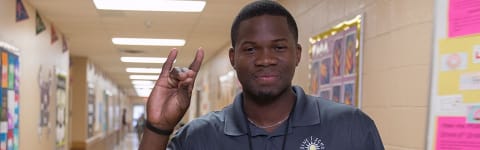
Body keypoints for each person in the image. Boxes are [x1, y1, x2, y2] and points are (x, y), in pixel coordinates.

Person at [140, 1, 384, 150]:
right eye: (250, 49)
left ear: (297, 54)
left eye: (278, 47)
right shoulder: (199, 137)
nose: (265, 59)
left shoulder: (351, 128)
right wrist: (158, 128)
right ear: (233, 58)